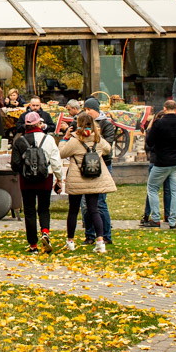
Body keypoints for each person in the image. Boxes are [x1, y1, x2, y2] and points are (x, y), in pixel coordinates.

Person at [58, 113, 116, 253]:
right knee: (94, 210)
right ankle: (100, 242)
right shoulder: (98, 139)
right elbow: (108, 149)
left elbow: (61, 153)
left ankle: (70, 241)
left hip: (77, 179)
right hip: (94, 179)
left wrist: (64, 138)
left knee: (73, 210)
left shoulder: (74, 140)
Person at [11, 111, 62, 254]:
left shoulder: (19, 141)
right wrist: (59, 178)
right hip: (45, 177)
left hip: (26, 180)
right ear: (39, 123)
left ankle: (33, 245)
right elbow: (56, 161)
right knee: (44, 208)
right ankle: (45, 232)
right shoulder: (49, 139)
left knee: (29, 210)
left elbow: (15, 164)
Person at [143, 99, 176, 229]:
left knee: (152, 188)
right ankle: (172, 221)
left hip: (161, 161)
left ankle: (155, 218)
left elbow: (149, 141)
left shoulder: (159, 123)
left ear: (164, 109)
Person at [80, 97, 117, 245]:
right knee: (86, 204)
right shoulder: (82, 123)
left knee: (100, 203)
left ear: (96, 110)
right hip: (85, 167)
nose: (87, 112)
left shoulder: (106, 124)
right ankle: (89, 235)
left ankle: (106, 235)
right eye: (86, 110)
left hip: (102, 165)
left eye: (90, 110)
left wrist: (94, 137)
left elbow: (107, 146)